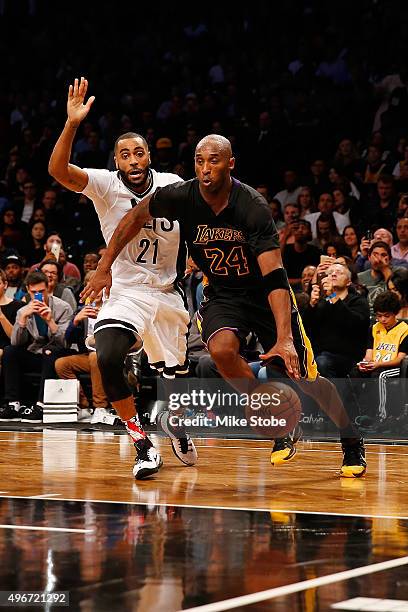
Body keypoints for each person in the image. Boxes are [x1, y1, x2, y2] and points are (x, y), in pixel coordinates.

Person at [84, 133, 367, 478]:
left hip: (264, 294)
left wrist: (284, 338)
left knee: (306, 377)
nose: (205, 169)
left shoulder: (252, 206)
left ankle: (351, 439)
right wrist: (103, 269)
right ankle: (277, 420)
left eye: (214, 161)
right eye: (199, 162)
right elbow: (133, 218)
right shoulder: (182, 195)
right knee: (220, 351)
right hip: (222, 293)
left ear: (230, 164)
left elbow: (275, 276)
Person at [48, 77, 197, 480]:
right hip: (127, 292)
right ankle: (142, 444)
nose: (132, 160)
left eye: (138, 153)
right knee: (109, 357)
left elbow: (198, 226)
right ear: (116, 162)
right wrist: (72, 123)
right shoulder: (104, 185)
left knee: (175, 379)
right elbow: (57, 170)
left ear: (150, 157)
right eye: (124, 155)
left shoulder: (173, 187)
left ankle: (177, 424)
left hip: (167, 294)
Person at [0, 271, 73, 423]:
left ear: (48, 289)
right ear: (28, 290)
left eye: (41, 292)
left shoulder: (63, 308)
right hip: (36, 354)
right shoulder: (23, 310)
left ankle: (41, 405)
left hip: (57, 353)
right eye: (34, 292)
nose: (38, 296)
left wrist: (50, 322)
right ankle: (13, 404)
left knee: (49, 351)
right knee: (9, 351)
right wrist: (22, 320)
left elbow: (65, 343)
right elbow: (16, 343)